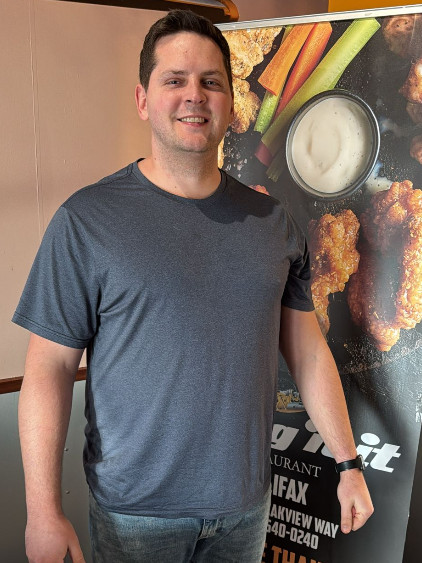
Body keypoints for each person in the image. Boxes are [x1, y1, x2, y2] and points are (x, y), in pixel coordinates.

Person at [14, 9, 373, 563]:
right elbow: (49, 369)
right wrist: (43, 511)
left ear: (229, 103)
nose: (194, 96)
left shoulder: (272, 222)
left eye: (211, 82)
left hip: (245, 511)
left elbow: (306, 351)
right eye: (174, 80)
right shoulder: (87, 220)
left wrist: (348, 464)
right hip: (135, 517)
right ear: (142, 99)